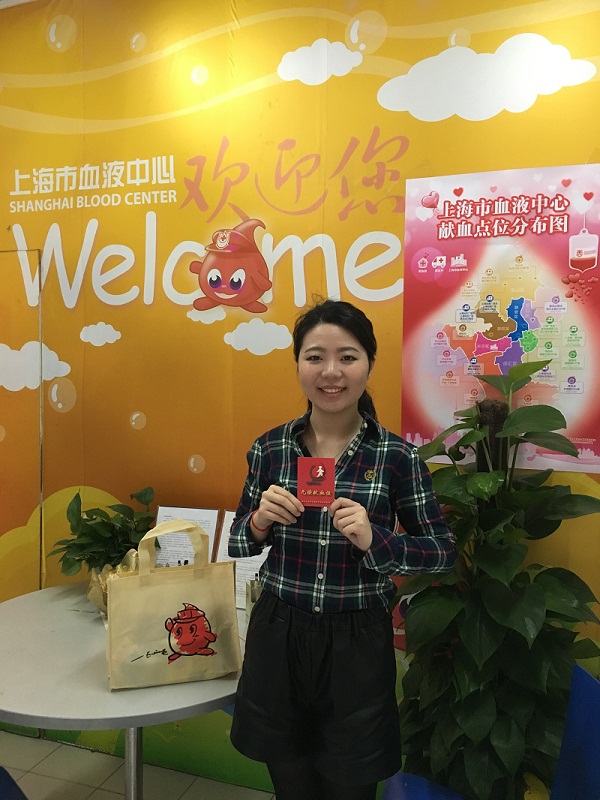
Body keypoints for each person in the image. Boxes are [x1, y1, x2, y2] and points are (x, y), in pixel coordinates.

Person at [228, 299, 456, 800]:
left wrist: (378, 540)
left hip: (357, 643)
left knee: (350, 787)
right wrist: (260, 520)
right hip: (279, 634)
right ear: (298, 364)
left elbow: (442, 552)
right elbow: (237, 540)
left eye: (347, 357)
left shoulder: (397, 457)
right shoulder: (270, 448)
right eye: (315, 357)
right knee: (291, 785)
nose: (330, 372)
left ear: (369, 364)